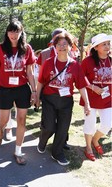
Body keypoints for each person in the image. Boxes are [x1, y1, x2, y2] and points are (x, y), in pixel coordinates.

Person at [35, 32, 91, 166]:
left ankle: (57, 152)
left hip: (66, 101)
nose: (62, 47)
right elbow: (41, 81)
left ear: (70, 47)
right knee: (49, 127)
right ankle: (43, 140)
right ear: (55, 47)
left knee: (62, 128)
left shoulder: (75, 65)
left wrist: (87, 104)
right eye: (59, 44)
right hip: (49, 99)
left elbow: (82, 86)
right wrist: (36, 96)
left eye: (65, 44)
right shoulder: (48, 63)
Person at [0, 19, 37, 165]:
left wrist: (34, 91)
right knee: (4, 119)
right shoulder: (0, 48)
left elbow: (29, 72)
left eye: (16, 31)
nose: (13, 34)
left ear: (21, 32)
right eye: (11, 31)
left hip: (22, 88)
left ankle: (18, 150)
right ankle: (0, 132)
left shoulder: (27, 48)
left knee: (21, 119)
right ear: (7, 32)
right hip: (5, 89)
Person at [36, 28, 71, 150]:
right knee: (48, 120)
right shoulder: (45, 53)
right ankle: (44, 136)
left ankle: (63, 141)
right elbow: (39, 74)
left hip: (64, 93)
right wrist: (38, 93)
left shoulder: (69, 53)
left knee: (63, 121)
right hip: (48, 90)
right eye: (57, 41)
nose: (61, 46)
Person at [80, 33, 112, 161]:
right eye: (103, 44)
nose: (107, 46)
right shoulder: (87, 61)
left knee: (107, 124)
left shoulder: (111, 60)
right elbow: (80, 78)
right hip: (90, 99)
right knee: (90, 124)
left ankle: (95, 140)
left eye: (108, 43)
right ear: (96, 47)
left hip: (107, 99)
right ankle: (88, 147)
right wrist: (93, 87)